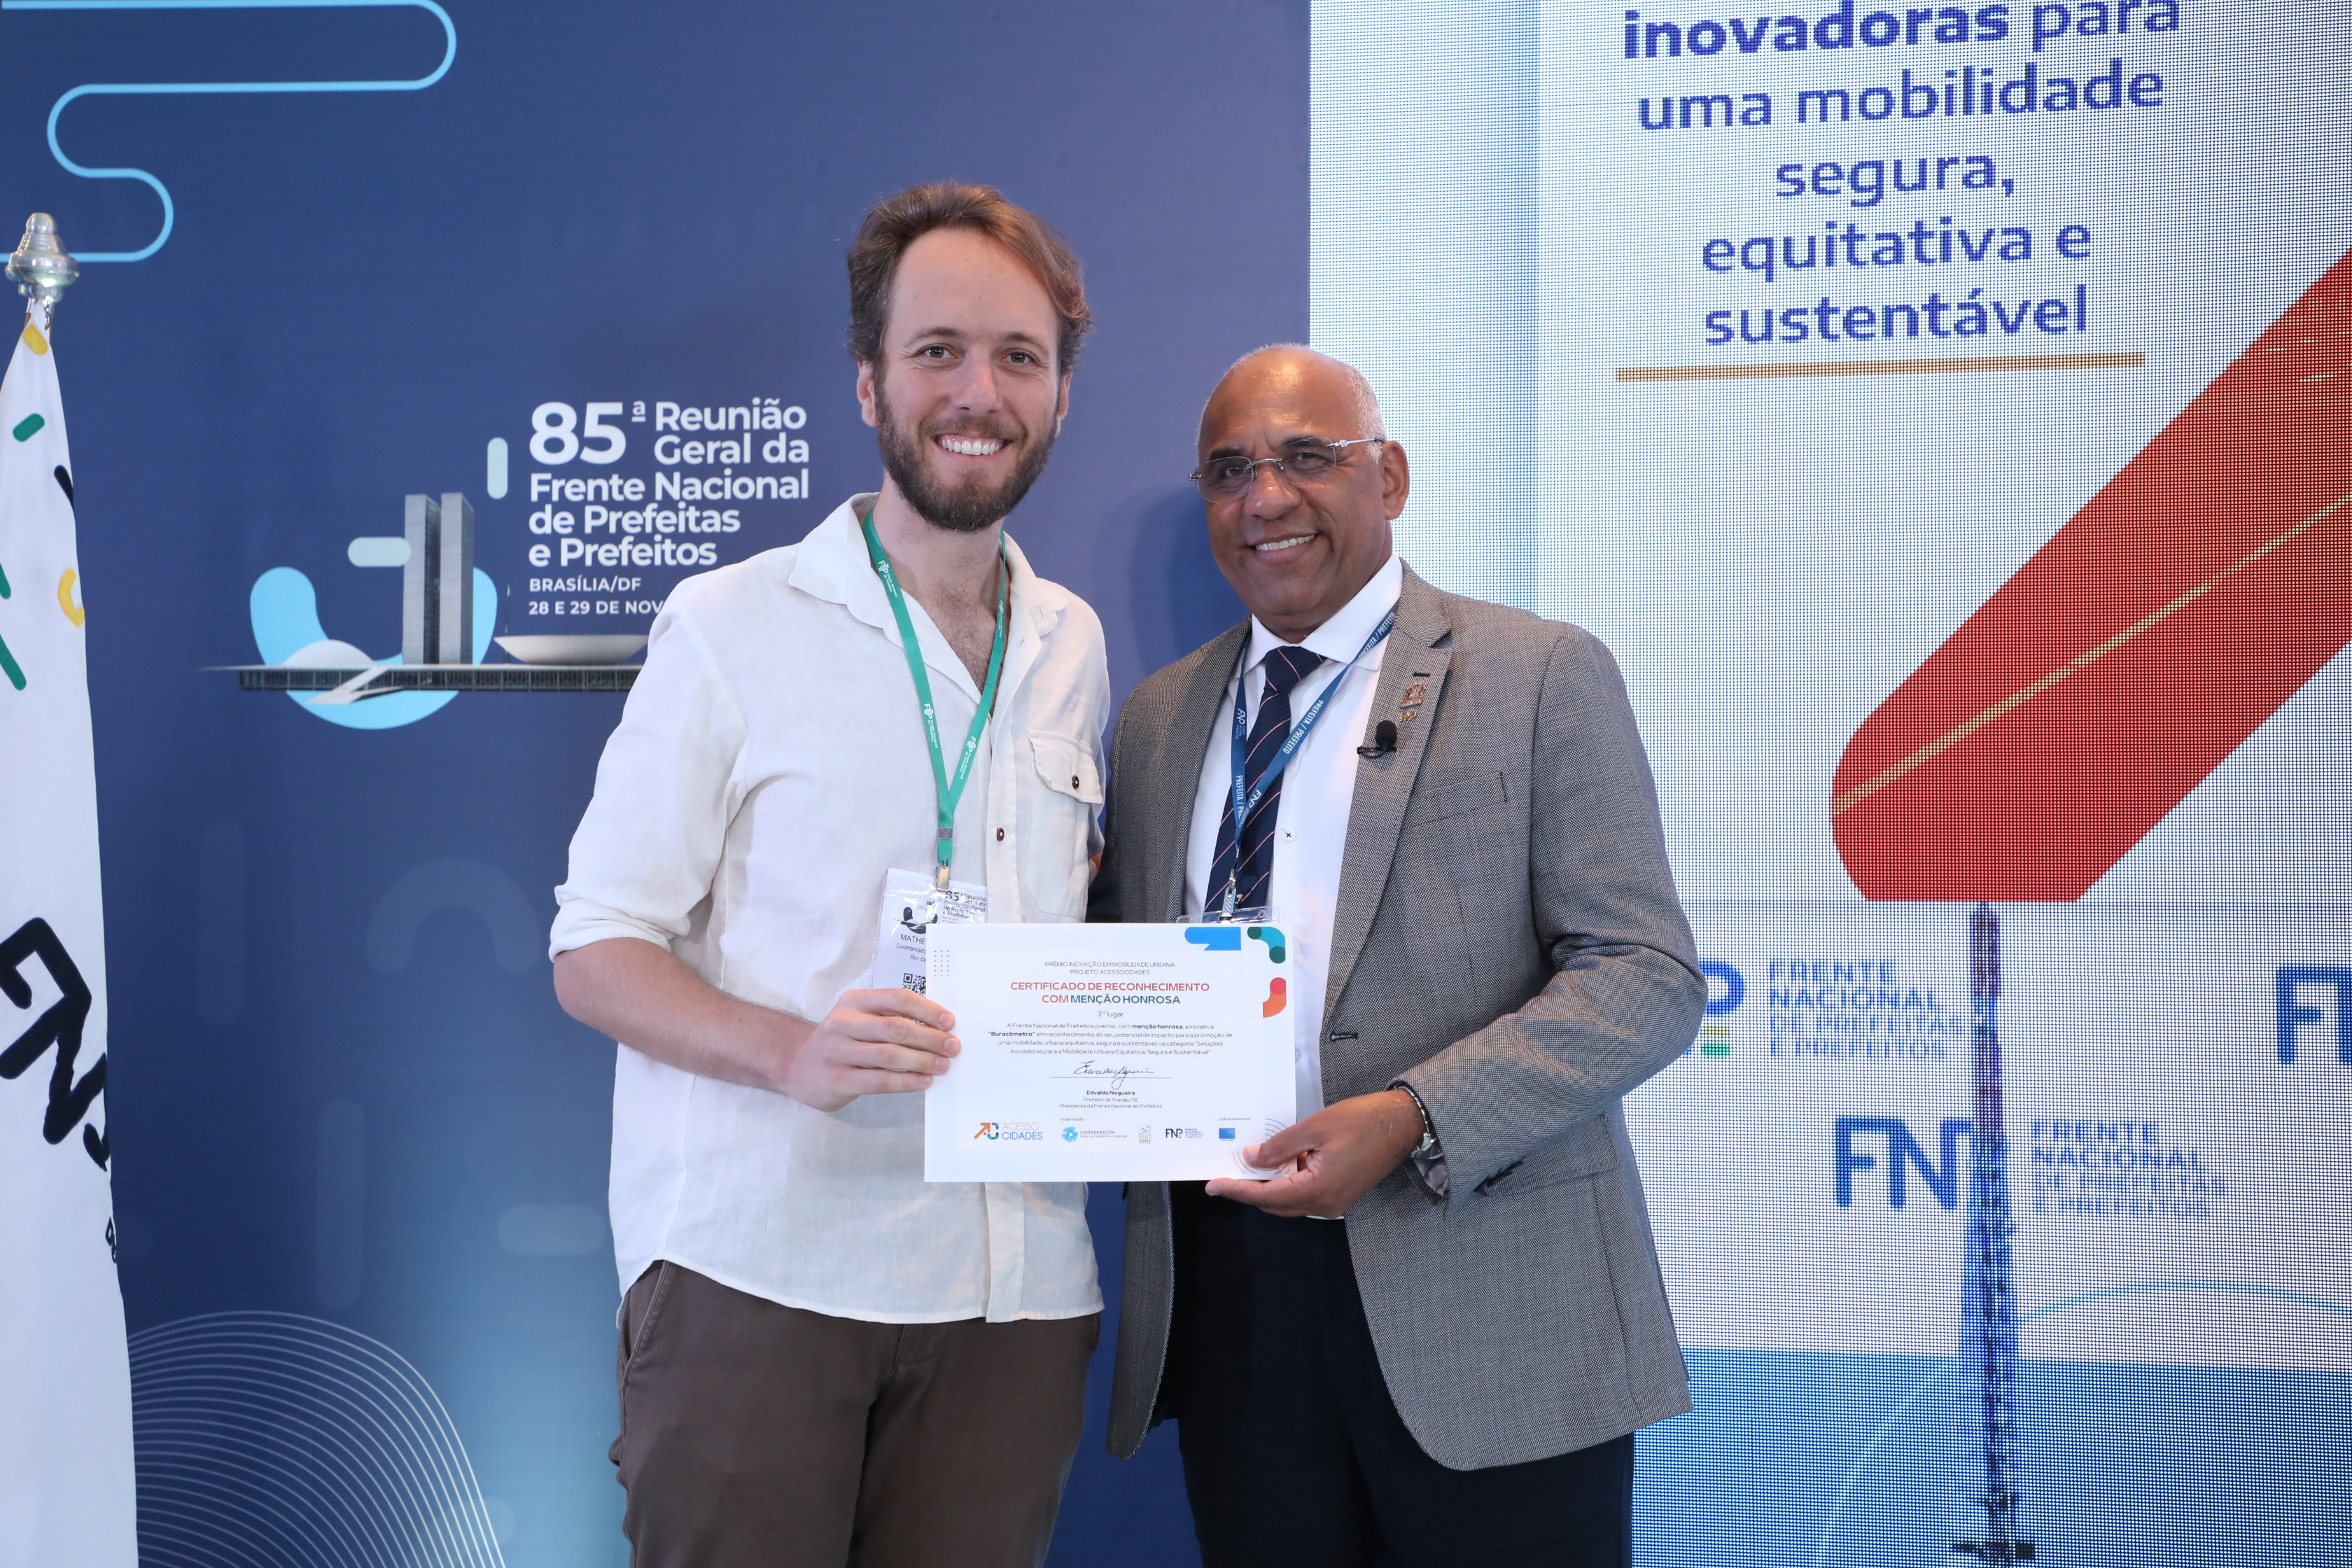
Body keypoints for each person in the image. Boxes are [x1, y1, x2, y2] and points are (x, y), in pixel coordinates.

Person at [550, 181, 1109, 1568]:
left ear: (1060, 396)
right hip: (765, 1271)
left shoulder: (1074, 643)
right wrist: (792, 1051)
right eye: (937, 352)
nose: (978, 393)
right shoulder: (731, 623)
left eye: (1018, 357)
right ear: (869, 384)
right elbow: (595, 948)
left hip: (1014, 1290)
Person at [1090, 345, 1707, 1567]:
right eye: (1229, 470)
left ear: (1392, 476)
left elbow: (1646, 977)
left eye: (1307, 457)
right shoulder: (1158, 717)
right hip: (1237, 1305)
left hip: (1492, 1299)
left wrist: (1412, 1116)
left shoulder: (1537, 672)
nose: (1266, 497)